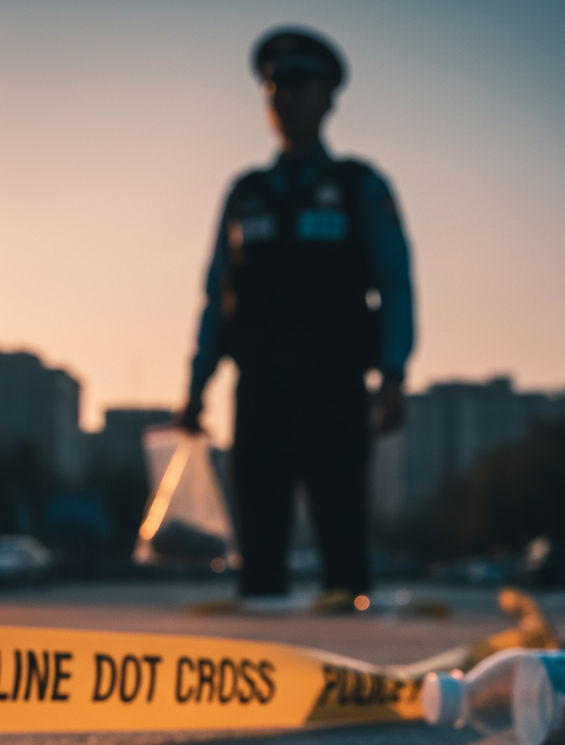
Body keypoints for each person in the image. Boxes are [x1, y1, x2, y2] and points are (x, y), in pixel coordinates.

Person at [179, 27, 414, 603]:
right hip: (259, 396)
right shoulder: (246, 194)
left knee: (343, 551)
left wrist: (393, 374)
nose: (286, 99)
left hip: (335, 392)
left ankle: (352, 676)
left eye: (300, 86)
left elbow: (395, 282)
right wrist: (195, 387)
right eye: (275, 88)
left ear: (328, 98)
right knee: (258, 556)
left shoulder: (358, 187)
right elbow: (217, 296)